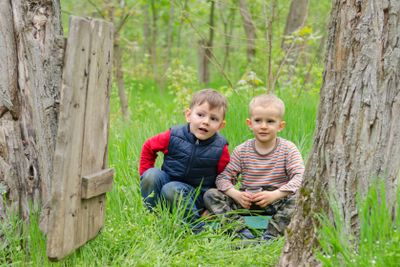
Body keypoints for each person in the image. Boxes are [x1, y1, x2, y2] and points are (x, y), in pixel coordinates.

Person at [204, 94, 304, 240]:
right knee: (211, 194)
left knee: (300, 198)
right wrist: (236, 194)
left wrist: (275, 194)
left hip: (276, 201)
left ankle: (271, 235)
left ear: (280, 126)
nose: (263, 126)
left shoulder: (288, 149)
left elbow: (301, 177)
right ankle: (241, 233)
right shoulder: (242, 150)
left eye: (270, 121)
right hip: (247, 202)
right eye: (258, 121)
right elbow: (223, 178)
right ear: (250, 123)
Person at [139, 89, 230, 231]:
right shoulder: (173, 136)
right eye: (200, 115)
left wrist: (212, 206)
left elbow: (225, 178)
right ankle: (154, 219)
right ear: (188, 115)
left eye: (213, 119)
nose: (205, 122)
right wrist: (144, 175)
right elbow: (148, 147)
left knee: (172, 189)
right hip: (167, 183)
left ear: (221, 125)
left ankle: (196, 228)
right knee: (151, 175)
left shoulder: (220, 148)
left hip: (196, 196)